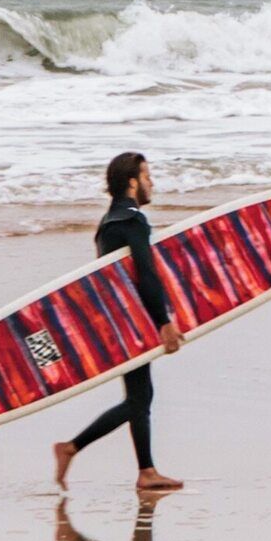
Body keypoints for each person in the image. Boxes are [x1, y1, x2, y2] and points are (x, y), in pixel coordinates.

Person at [56, 151, 189, 494]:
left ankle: (146, 470)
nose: (151, 182)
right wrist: (163, 321)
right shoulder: (133, 220)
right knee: (139, 399)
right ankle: (73, 447)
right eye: (147, 175)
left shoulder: (107, 223)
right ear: (132, 182)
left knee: (140, 395)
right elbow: (146, 272)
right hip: (133, 322)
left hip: (114, 321)